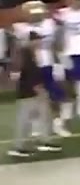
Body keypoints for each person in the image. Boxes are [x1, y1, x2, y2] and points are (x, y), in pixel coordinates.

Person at [8, 26, 59, 159]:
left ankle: (45, 141)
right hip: (29, 92)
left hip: (32, 91)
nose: (39, 42)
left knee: (44, 115)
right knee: (24, 120)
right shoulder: (25, 54)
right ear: (31, 41)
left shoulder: (29, 53)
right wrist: (38, 89)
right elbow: (27, 74)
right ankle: (18, 147)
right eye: (37, 40)